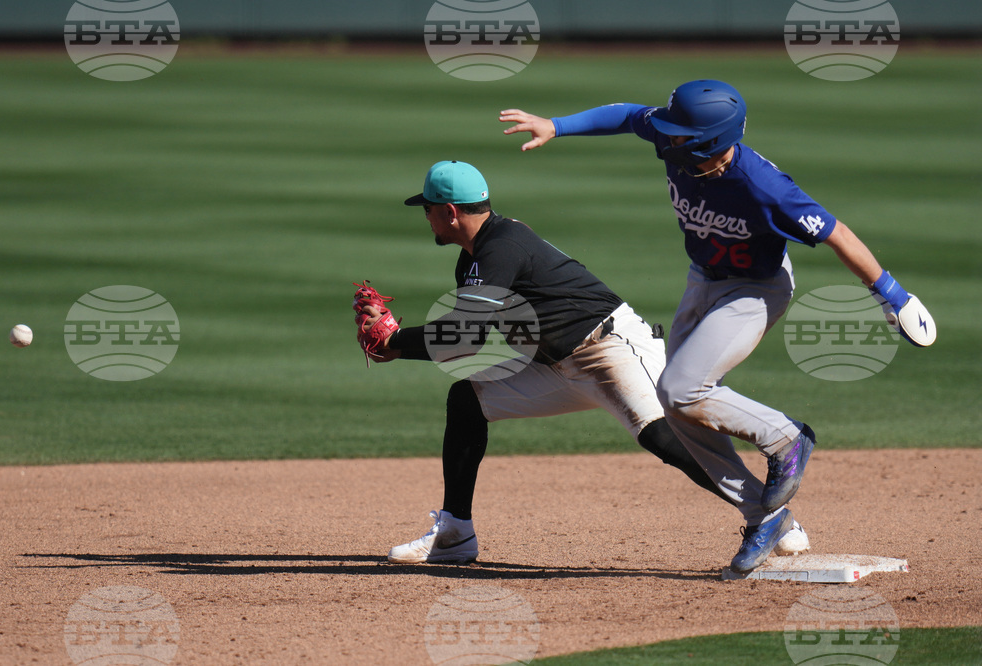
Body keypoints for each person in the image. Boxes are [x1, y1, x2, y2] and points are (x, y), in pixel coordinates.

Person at [499, 80, 932, 573]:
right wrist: (557, 125)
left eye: (677, 133)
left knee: (683, 389)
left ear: (709, 141)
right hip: (703, 280)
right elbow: (626, 115)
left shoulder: (764, 187)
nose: (665, 137)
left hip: (755, 290)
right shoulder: (675, 140)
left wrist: (892, 295)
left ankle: (787, 438)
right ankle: (762, 517)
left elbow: (837, 233)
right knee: (674, 404)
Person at [361, 159, 810, 565]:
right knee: (467, 401)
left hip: (610, 348)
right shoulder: (474, 260)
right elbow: (471, 343)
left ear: (450, 212)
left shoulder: (502, 246)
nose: (426, 217)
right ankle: (456, 532)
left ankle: (769, 515)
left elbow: (465, 334)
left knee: (664, 437)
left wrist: (397, 341)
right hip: (557, 364)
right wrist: (400, 343)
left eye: (428, 208)